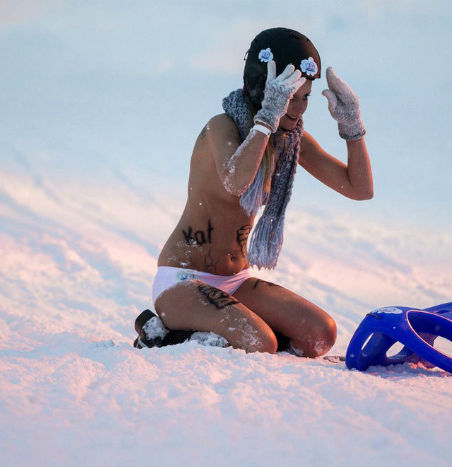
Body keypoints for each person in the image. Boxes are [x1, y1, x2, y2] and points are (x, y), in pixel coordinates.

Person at [139, 27, 373, 357]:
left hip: (237, 281)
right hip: (183, 280)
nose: (299, 109)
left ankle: (239, 330)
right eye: (290, 98)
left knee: (320, 334)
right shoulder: (221, 127)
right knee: (260, 342)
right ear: (263, 90)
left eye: (305, 98)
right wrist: (266, 120)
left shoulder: (290, 140)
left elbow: (360, 189)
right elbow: (237, 181)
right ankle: (161, 334)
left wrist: (351, 127)